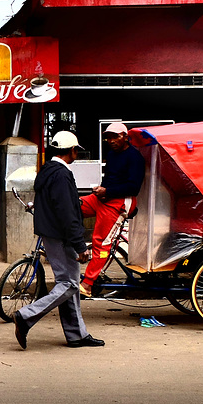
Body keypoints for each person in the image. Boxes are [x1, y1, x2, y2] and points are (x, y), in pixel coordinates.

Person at [12, 131, 104, 350]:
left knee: (67, 283)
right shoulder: (61, 174)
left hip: (51, 234)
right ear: (71, 151)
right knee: (70, 284)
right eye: (76, 151)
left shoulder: (47, 171)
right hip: (61, 236)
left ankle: (76, 335)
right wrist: (79, 243)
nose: (76, 154)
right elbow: (66, 212)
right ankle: (26, 316)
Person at [79, 122, 145, 297]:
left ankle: (87, 284)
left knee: (101, 242)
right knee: (73, 206)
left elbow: (133, 187)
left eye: (115, 136)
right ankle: (75, 247)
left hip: (120, 203)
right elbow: (110, 180)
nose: (111, 140)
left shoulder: (135, 157)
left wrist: (107, 191)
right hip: (103, 198)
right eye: (108, 137)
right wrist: (101, 191)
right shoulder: (112, 154)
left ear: (125, 137)